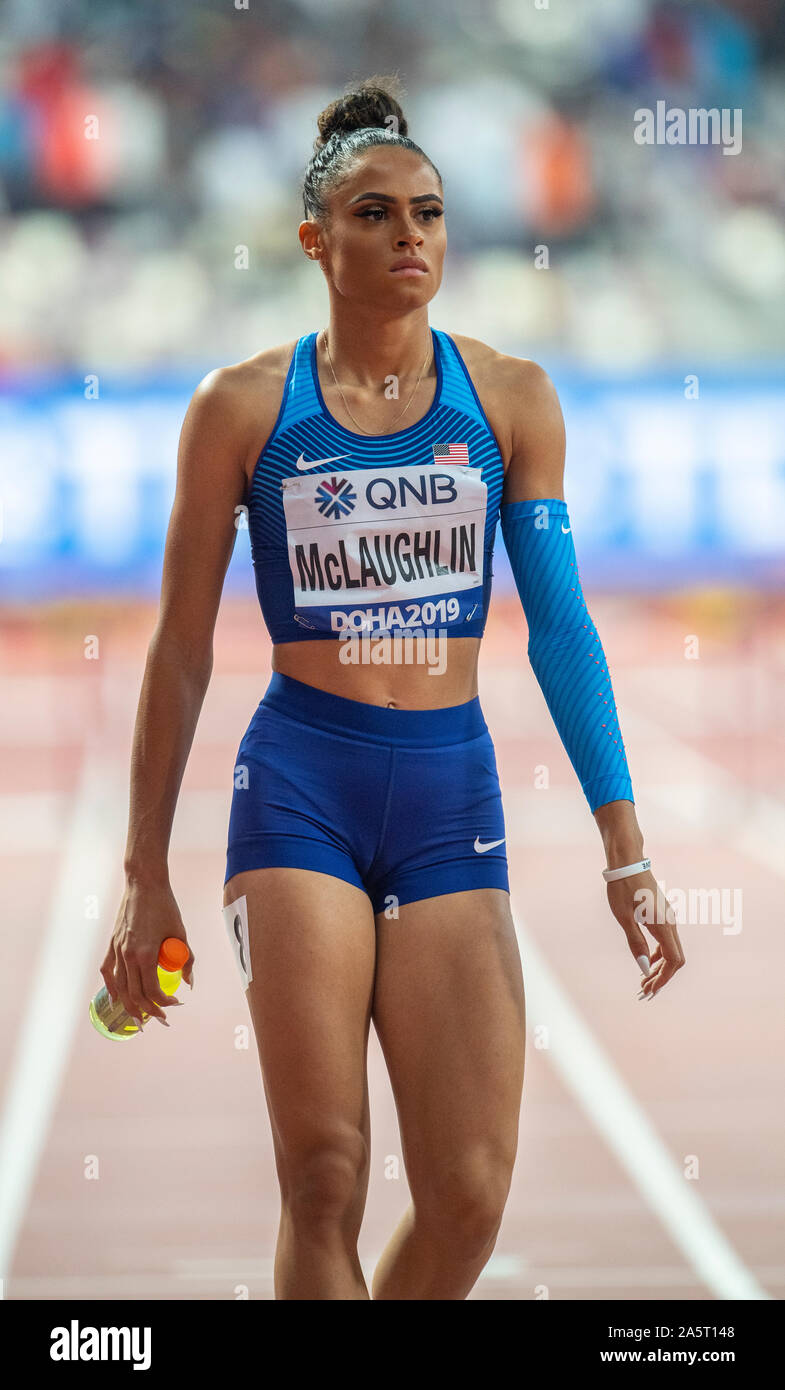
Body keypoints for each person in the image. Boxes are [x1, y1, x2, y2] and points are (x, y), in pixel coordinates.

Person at [102, 76, 684, 1301]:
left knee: (468, 1191)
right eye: (374, 214)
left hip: (445, 797)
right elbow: (179, 648)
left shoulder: (509, 400)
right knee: (323, 1173)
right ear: (316, 239)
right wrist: (142, 867)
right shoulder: (242, 410)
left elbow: (561, 628)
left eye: (425, 212)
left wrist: (623, 846)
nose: (408, 235)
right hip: (300, 787)